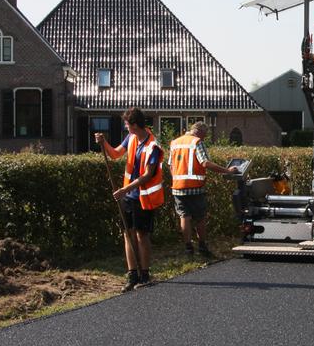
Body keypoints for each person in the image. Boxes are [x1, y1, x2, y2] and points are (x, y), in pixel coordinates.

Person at [95, 107, 164, 292]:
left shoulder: (153, 146)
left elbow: (148, 175)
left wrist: (125, 189)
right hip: (129, 196)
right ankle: (132, 274)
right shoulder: (131, 138)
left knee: (142, 235)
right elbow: (115, 154)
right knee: (128, 233)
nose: (125, 127)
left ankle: (145, 274)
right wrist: (104, 143)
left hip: (144, 197)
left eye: (127, 124)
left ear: (134, 125)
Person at [168, 121, 238, 258]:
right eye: (205, 135)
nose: (204, 138)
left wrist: (177, 179)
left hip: (177, 187)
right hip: (195, 188)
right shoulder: (197, 142)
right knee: (200, 217)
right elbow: (205, 162)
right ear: (200, 132)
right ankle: (202, 246)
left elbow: (171, 165)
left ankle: (188, 248)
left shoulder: (175, 143)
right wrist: (227, 171)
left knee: (184, 216)